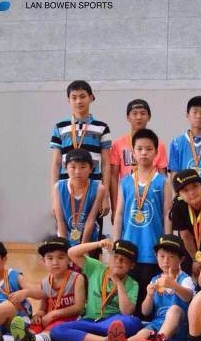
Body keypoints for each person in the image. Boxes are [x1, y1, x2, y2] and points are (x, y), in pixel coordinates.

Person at [49, 239, 142, 341]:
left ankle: (108, 335)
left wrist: (119, 283)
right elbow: (71, 253)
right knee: (57, 331)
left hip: (112, 323)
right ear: (110, 257)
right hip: (90, 321)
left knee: (133, 322)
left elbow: (126, 311)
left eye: (124, 259)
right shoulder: (97, 267)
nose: (118, 261)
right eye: (115, 256)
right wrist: (98, 244)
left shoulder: (132, 284)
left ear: (132, 265)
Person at [107, 234, 195, 341]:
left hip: (179, 327)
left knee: (174, 310)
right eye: (162, 256)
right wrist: (149, 296)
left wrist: (173, 285)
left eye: (171, 257)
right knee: (142, 334)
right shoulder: (155, 280)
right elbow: (145, 311)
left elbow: (188, 297)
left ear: (181, 259)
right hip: (158, 324)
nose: (166, 261)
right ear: (156, 257)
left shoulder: (185, 279)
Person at [113, 128, 172, 316]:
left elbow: (167, 213)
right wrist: (116, 244)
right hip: (129, 249)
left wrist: (166, 245)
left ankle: (148, 326)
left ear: (156, 152)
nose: (144, 153)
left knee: (148, 296)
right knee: (131, 295)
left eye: (148, 149)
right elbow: (119, 214)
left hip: (152, 249)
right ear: (133, 152)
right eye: (139, 149)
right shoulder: (125, 182)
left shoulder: (163, 182)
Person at [9, 236, 85, 341]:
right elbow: (43, 308)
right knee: (34, 326)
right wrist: (38, 314)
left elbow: (79, 307)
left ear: (69, 259)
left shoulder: (77, 278)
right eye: (50, 258)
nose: (55, 262)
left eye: (61, 257)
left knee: (53, 330)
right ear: (43, 261)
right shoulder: (45, 282)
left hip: (71, 319)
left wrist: (55, 314)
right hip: (49, 319)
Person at [50, 80, 111, 223]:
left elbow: (106, 164)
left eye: (82, 96)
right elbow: (56, 164)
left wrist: (105, 196)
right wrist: (54, 197)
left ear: (91, 97)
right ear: (68, 100)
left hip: (93, 190)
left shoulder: (102, 127)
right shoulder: (60, 127)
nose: (78, 101)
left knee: (93, 231)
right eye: (74, 97)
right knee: (66, 231)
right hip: (66, 189)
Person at [109, 99, 168, 219]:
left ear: (149, 117)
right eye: (134, 113)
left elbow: (163, 176)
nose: (139, 117)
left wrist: (163, 208)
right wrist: (115, 207)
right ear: (128, 117)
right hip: (128, 197)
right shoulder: (118, 145)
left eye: (143, 113)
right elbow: (113, 177)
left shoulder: (159, 145)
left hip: (152, 199)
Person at [53, 148, 104, 247]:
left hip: (89, 240)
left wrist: (82, 248)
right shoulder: (58, 187)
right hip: (65, 237)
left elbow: (91, 220)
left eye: (83, 167)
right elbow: (60, 220)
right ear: (65, 168)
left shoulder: (99, 188)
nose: (77, 171)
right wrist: (64, 247)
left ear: (91, 168)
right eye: (73, 167)